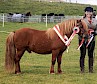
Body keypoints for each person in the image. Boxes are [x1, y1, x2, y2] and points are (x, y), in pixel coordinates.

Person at [79, 7, 97, 73]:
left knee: (91, 54)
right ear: (85, 12)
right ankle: (82, 69)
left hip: (92, 39)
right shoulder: (82, 20)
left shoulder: (95, 20)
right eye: (87, 12)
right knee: (82, 54)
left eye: (90, 12)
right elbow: (79, 29)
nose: (89, 13)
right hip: (83, 39)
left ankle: (91, 69)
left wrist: (95, 32)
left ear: (92, 13)